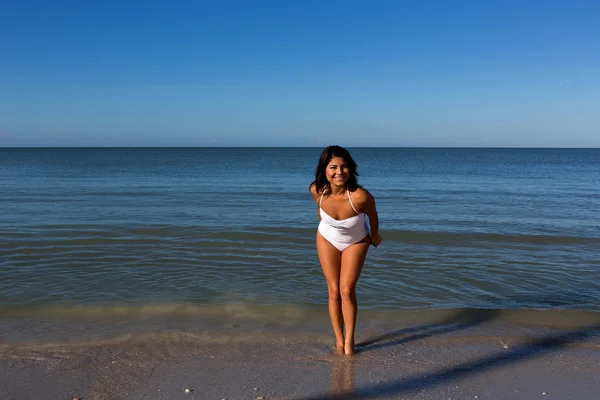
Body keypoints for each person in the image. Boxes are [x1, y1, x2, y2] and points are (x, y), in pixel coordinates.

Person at [309, 145, 382, 355]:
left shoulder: (360, 196)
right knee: (333, 291)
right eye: (333, 167)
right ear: (324, 169)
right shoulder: (316, 190)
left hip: (356, 240)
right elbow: (321, 211)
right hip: (327, 238)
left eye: (344, 166)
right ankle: (339, 341)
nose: (339, 172)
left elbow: (374, 217)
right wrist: (329, 226)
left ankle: (349, 342)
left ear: (351, 168)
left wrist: (374, 237)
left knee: (347, 290)